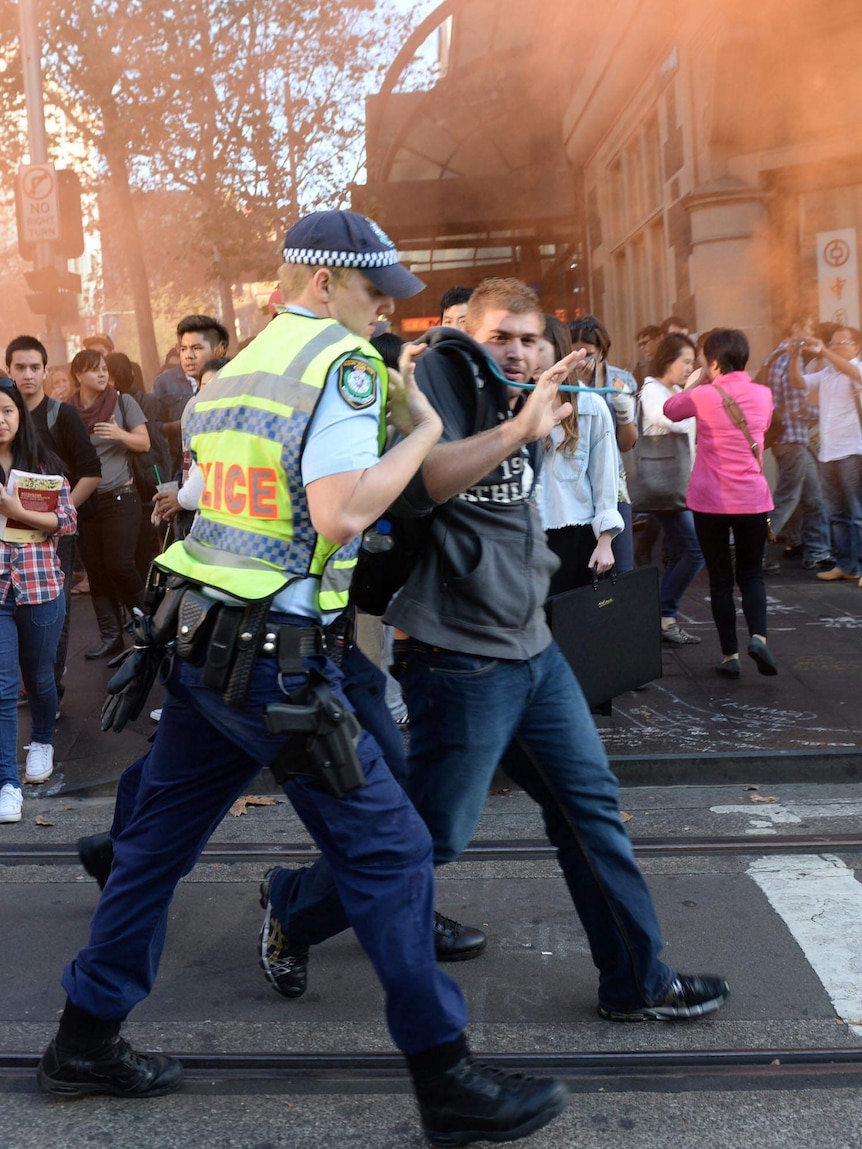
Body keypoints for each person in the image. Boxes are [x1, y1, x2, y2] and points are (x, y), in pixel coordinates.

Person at [39, 212, 568, 1147]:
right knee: (395, 854)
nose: (383, 316)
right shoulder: (344, 364)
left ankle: (84, 1039)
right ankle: (446, 1081)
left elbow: (215, 498)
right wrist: (429, 429)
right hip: (279, 663)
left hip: (202, 649)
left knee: (153, 849)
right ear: (324, 282)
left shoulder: (236, 368)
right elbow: (337, 515)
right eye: (374, 294)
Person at [260, 276, 729, 1027]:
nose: (518, 349)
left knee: (591, 811)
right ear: (467, 336)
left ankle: (638, 980)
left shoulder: (528, 397)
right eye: (500, 336)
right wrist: (518, 426)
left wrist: (534, 414)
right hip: (457, 657)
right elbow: (424, 486)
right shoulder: (437, 386)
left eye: (531, 336)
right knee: (432, 836)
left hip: (534, 649)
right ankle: (295, 903)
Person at [664, 329, 776, 677]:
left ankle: (730, 657)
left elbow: (670, 410)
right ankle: (758, 637)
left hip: (710, 501)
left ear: (713, 362)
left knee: (721, 581)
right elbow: (763, 430)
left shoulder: (704, 396)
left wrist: (693, 384)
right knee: (752, 574)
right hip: (753, 500)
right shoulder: (763, 394)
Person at [5, 337, 101, 707]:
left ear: (46, 370)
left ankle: (48, 690)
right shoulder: (4, 413)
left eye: (34, 367)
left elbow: (91, 473)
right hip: (7, 538)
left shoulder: (62, 414)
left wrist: (59, 517)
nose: (27, 375)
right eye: (20, 368)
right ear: (9, 371)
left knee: (52, 612)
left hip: (52, 533)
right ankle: (26, 683)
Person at [0, 380, 76, 822]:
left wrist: (17, 512)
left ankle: (42, 740)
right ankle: (8, 781)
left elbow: (66, 520)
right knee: (5, 688)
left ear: (20, 415)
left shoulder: (42, 465)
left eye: (7, 411)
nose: (2, 420)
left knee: (39, 679)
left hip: (41, 586)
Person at [69, 349, 150, 659]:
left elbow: (144, 443)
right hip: (86, 502)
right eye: (94, 370)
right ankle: (111, 637)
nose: (102, 374)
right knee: (97, 569)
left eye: (104, 369)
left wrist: (118, 433)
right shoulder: (67, 411)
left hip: (121, 496)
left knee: (120, 563)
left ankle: (146, 626)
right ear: (79, 375)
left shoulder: (122, 402)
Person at [537, 315, 622, 593]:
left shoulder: (591, 406)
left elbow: (604, 479)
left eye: (537, 346)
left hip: (575, 534)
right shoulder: (512, 404)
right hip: (525, 536)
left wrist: (605, 541)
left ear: (558, 350)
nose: (527, 356)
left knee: (573, 627)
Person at [639, 334, 705, 644]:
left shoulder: (677, 390)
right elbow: (663, 417)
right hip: (664, 486)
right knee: (694, 551)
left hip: (680, 484)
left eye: (693, 361)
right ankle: (664, 615)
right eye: (686, 361)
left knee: (684, 550)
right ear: (668, 360)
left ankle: (664, 614)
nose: (690, 367)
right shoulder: (651, 389)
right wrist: (691, 391)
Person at [757, 315, 832, 572]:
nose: (812, 336)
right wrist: (827, 412)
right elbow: (797, 407)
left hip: (785, 439)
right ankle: (752, 550)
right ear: (796, 327)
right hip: (792, 438)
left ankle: (817, 551)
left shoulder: (774, 356)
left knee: (815, 496)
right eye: (809, 328)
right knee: (787, 499)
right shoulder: (791, 358)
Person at [792, 326, 862, 585]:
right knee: (837, 514)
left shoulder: (856, 368)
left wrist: (823, 350)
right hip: (828, 452)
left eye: (840, 343)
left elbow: (854, 372)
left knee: (856, 513)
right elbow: (799, 382)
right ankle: (847, 565)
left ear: (856, 347)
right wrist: (792, 356)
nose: (834, 347)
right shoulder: (827, 373)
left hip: (852, 451)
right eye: (832, 343)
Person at [568, 316, 637, 572]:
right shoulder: (561, 382)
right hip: (574, 483)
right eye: (573, 353)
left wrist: (624, 412)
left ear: (602, 352)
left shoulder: (622, 381)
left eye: (588, 354)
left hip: (613, 482)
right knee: (582, 567)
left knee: (621, 566)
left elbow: (627, 444)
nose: (580, 360)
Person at [149, 316, 229, 474]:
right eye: (183, 349)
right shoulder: (193, 401)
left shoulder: (231, 392)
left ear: (219, 349)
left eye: (197, 348)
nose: (188, 356)